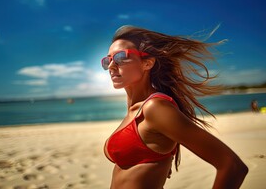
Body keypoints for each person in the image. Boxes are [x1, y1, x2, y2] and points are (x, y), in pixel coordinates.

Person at [102, 25, 248, 189]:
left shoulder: (155, 107)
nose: (112, 65)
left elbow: (232, 166)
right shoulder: (136, 110)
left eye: (121, 57)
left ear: (147, 63)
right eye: (108, 60)